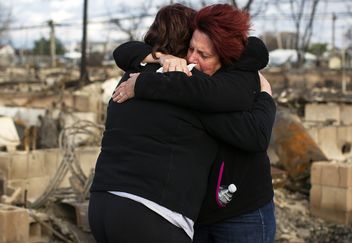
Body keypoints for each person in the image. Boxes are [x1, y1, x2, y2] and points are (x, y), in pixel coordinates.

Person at [111, 4, 276, 243]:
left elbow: (256, 135)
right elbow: (125, 52)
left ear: (226, 58)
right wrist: (162, 57)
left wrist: (265, 97)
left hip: (241, 212)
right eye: (190, 48)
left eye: (204, 55)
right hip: (192, 215)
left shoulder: (235, 83)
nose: (192, 59)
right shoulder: (184, 76)